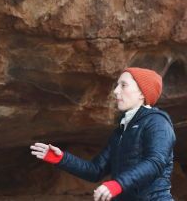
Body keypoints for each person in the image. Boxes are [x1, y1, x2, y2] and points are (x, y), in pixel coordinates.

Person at [31, 67, 175, 200]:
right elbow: (96, 170)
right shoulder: (120, 131)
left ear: (142, 93)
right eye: (117, 85)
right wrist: (61, 158)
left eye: (123, 85)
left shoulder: (157, 122)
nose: (116, 91)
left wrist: (117, 184)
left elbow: (156, 162)